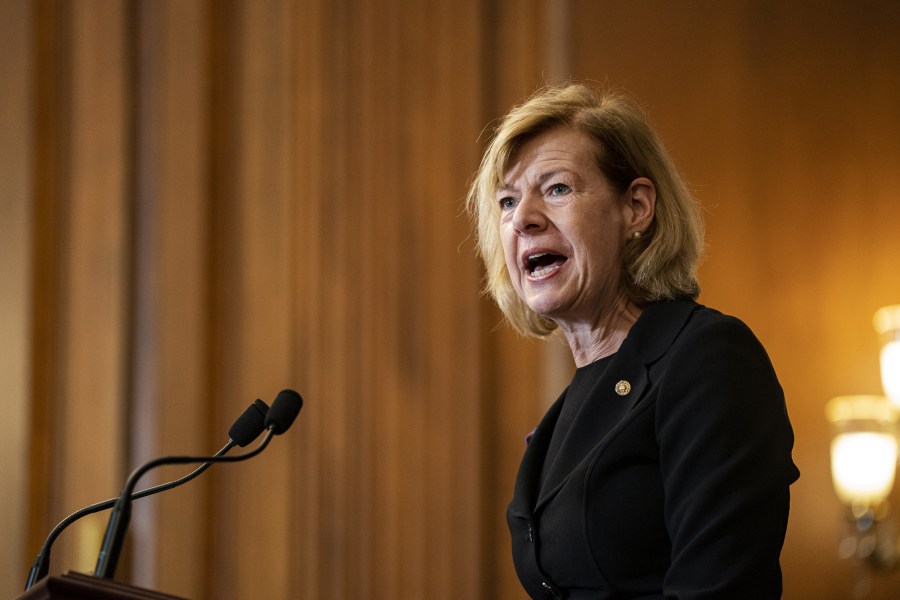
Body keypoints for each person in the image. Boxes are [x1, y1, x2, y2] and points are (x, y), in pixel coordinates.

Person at [466, 83, 799, 599]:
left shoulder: (707, 360)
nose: (523, 218)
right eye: (508, 201)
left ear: (637, 208)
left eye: (556, 188)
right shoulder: (569, 407)